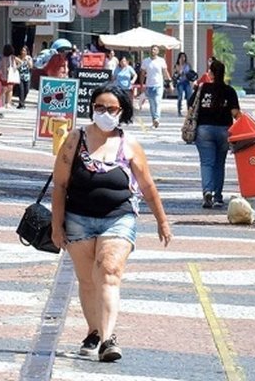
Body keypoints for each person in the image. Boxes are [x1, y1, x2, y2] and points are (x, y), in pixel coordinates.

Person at [50, 83, 172, 362]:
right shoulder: (75, 139)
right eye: (99, 107)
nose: (104, 113)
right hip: (77, 218)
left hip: (119, 217)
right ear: (91, 108)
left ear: (122, 111)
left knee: (108, 271)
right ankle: (93, 331)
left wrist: (162, 221)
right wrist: (57, 226)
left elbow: (147, 186)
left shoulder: (130, 145)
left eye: (111, 109)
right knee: (87, 280)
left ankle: (107, 339)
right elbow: (60, 185)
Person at [189, 60, 240, 209]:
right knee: (219, 164)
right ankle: (217, 197)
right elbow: (235, 113)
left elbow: (191, 105)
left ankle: (207, 192)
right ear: (223, 74)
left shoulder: (202, 88)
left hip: (204, 130)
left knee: (207, 163)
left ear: (210, 73)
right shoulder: (229, 91)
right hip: (224, 131)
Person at [141, 46, 173, 128]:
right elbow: (142, 74)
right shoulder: (146, 61)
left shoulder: (161, 61)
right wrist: (142, 85)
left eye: (155, 49)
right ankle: (154, 120)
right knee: (152, 104)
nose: (153, 51)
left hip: (158, 85)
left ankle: (157, 119)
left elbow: (165, 72)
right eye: (151, 49)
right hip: (149, 85)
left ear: (158, 51)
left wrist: (170, 83)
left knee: (157, 102)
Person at [174, 52, 194, 117]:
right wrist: (180, 64)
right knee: (180, 97)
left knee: (189, 97)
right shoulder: (177, 65)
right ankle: (179, 111)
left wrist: (192, 80)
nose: (183, 58)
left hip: (187, 82)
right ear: (179, 58)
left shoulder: (188, 65)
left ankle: (189, 111)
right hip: (180, 83)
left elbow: (191, 73)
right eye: (181, 57)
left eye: (184, 57)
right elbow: (179, 73)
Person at [0, 44, 17, 108]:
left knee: (4, 89)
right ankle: (8, 103)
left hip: (3, 76)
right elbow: (14, 67)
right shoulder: (12, 58)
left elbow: (0, 67)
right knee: (10, 90)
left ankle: (1, 102)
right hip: (10, 76)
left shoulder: (2, 58)